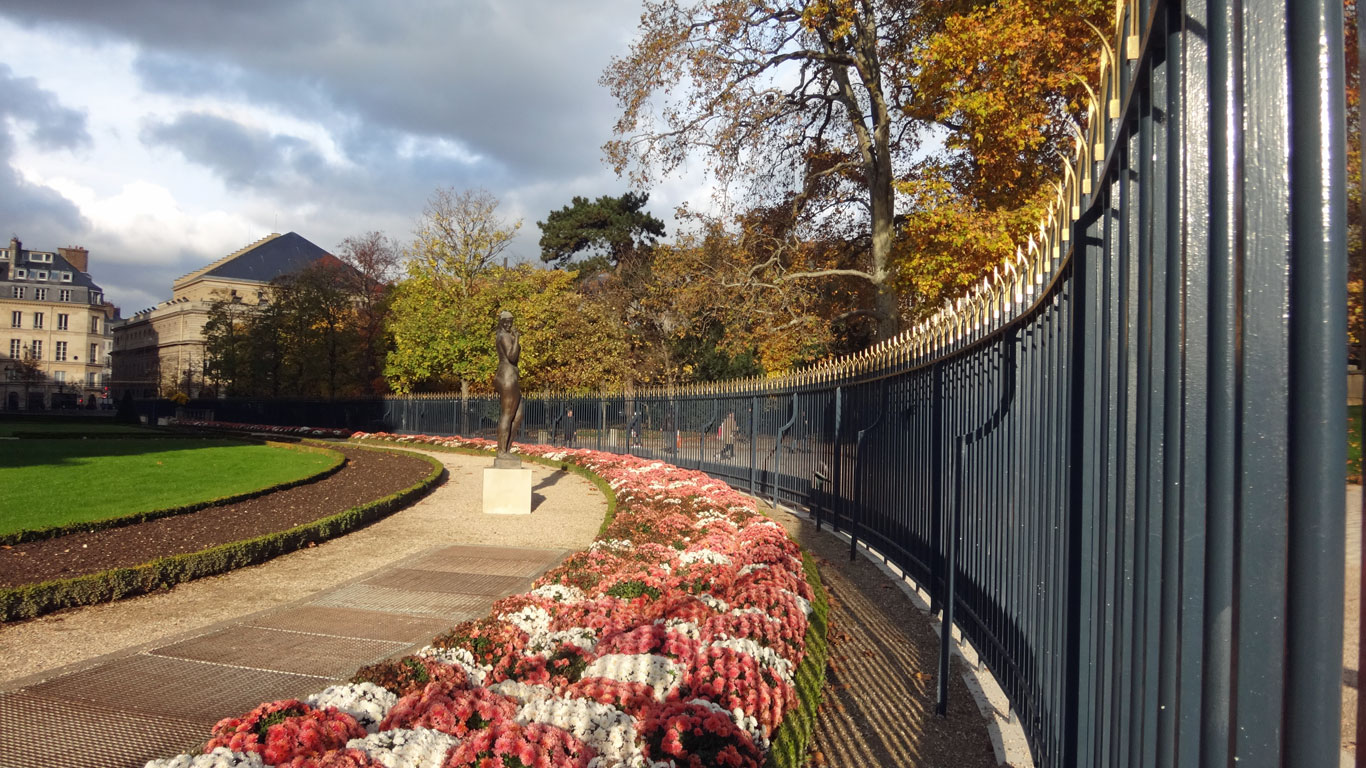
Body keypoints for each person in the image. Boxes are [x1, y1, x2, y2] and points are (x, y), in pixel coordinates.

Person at [493, 311, 523, 459]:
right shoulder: (504, 336)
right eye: (505, 321)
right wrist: (517, 338)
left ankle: (507, 450)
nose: (508, 324)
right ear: (500, 322)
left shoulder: (505, 335)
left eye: (510, 321)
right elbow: (512, 356)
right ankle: (501, 451)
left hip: (510, 376)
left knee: (518, 414)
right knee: (508, 414)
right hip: (507, 375)